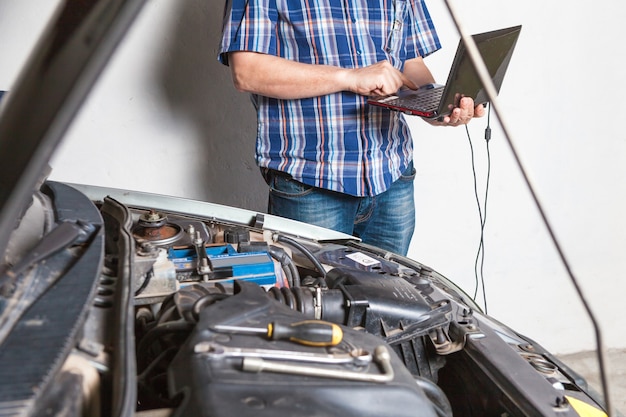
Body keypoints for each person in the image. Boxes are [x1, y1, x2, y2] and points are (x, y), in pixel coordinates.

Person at [218, 0, 484, 256]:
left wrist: (439, 106)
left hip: (392, 175)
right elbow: (247, 72)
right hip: (311, 181)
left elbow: (409, 61)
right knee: (316, 299)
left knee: (392, 297)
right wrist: (349, 77)